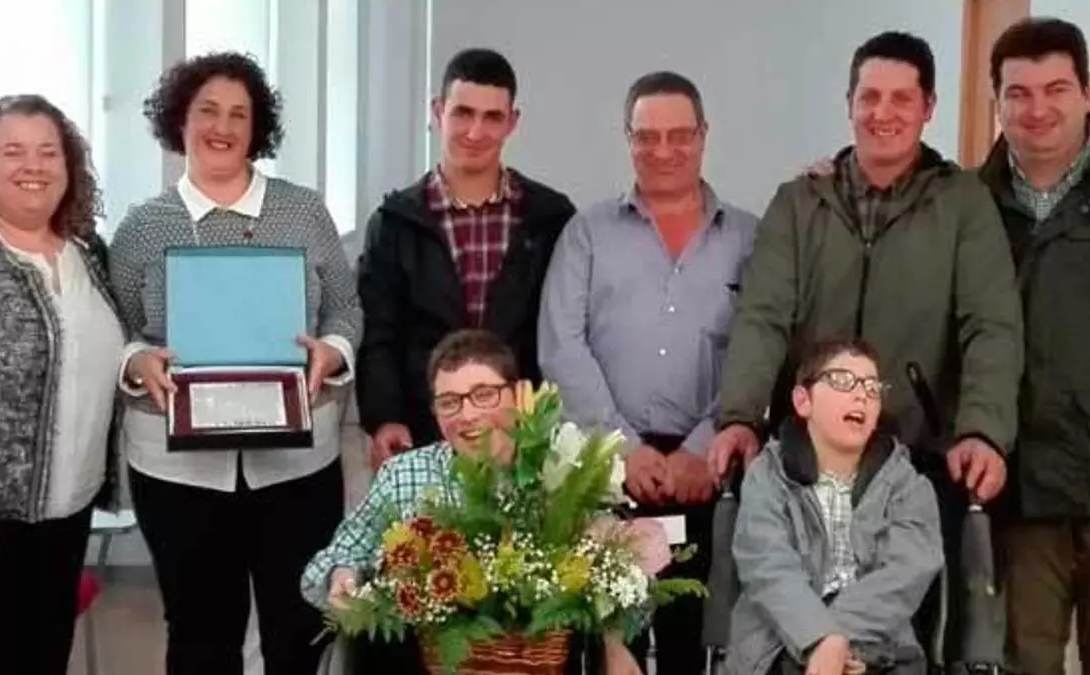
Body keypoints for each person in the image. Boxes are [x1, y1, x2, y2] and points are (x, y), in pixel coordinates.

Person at [707, 31, 1023, 669]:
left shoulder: (964, 204)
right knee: (780, 607)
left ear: (929, 107)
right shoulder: (799, 202)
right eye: (870, 96)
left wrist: (983, 430)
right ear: (849, 103)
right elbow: (763, 316)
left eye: (902, 98)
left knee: (906, 625)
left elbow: (990, 325)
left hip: (918, 457)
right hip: (805, 461)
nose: (884, 113)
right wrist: (739, 415)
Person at [108, 51, 360, 675]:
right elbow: (119, 327)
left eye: (239, 114)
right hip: (178, 473)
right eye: (207, 111)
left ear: (258, 127)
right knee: (200, 637)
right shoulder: (142, 226)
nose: (221, 127)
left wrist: (334, 349)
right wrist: (138, 361)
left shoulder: (304, 211)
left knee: (298, 631)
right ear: (180, 120)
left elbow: (346, 308)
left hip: (297, 466)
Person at [538, 71, 757, 675]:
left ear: (704, 135)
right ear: (627, 138)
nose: (663, 150)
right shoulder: (586, 233)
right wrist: (622, 450)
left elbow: (761, 348)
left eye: (679, 135)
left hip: (707, 476)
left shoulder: (749, 237)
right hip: (605, 473)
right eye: (646, 136)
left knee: (694, 638)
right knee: (609, 642)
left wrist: (703, 448)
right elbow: (561, 346)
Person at [302, 328, 642, 675]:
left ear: (518, 396)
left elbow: (625, 581)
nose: (466, 415)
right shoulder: (403, 474)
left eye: (483, 395)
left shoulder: (563, 466)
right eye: (449, 402)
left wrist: (613, 643)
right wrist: (343, 575)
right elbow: (337, 557)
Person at [0, 94, 125, 675]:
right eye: (13, 151)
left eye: (48, 152)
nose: (33, 165)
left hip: (67, 515)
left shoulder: (86, 250)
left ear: (69, 165)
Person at [979, 18, 1090, 675]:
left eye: (1056, 89)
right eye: (1019, 92)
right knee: (1022, 663)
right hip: (1019, 495)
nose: (1037, 108)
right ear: (997, 102)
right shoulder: (966, 202)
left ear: (1088, 93)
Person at [356, 47, 576, 471]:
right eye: (463, 113)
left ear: (512, 122)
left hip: (524, 437)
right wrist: (385, 418)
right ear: (438, 112)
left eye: (492, 117)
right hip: (424, 434)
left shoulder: (550, 218)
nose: (475, 132)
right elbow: (379, 332)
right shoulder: (395, 222)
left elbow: (562, 334)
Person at [728, 339, 943, 675]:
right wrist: (819, 638)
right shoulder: (767, 475)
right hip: (780, 647)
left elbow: (906, 572)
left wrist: (837, 640)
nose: (862, 396)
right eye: (843, 381)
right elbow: (768, 567)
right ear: (803, 400)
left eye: (872, 388)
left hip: (878, 650)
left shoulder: (908, 485)